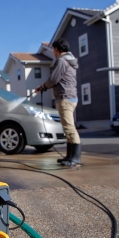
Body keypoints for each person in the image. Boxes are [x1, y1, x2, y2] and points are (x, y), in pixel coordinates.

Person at [35, 38, 81, 167]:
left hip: (65, 97)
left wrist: (42, 86)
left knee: (69, 128)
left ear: (56, 49)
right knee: (68, 128)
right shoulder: (69, 61)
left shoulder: (61, 61)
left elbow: (53, 79)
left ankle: (75, 158)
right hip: (69, 96)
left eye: (53, 50)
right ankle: (70, 156)